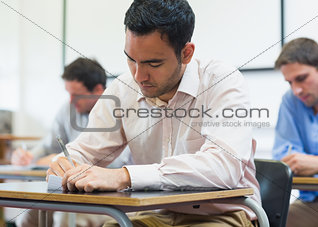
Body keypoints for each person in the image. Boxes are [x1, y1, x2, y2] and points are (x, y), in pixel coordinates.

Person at [47, 0, 261, 226]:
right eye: (131, 59)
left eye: (153, 63)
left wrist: (125, 176)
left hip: (222, 215)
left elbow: (223, 167)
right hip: (155, 213)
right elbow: (86, 148)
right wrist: (65, 162)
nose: (139, 76)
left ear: (186, 53)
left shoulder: (222, 81)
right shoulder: (123, 89)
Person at [14, 57, 130, 227]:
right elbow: (48, 145)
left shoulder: (119, 110)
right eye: (68, 94)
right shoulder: (68, 110)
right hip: (68, 189)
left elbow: (118, 163)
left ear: (98, 90)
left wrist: (63, 160)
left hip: (106, 194)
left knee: (66, 218)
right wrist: (29, 155)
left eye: (75, 95)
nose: (70, 100)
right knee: (29, 214)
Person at [273, 37, 318, 227]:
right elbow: (285, 158)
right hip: (313, 200)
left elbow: (302, 162)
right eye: (290, 82)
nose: (296, 90)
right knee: (272, 221)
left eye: (301, 78)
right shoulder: (290, 102)